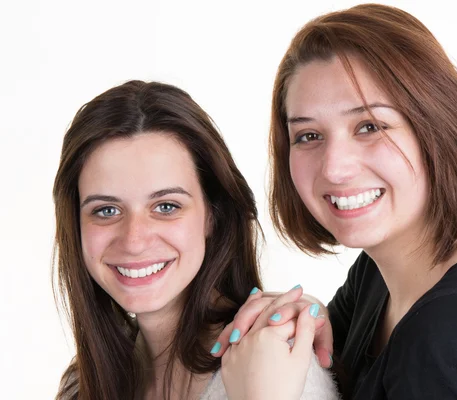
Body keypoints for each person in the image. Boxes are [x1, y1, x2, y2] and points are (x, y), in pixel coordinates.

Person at [214, 4, 457, 399]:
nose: (335, 169)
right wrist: (301, 316)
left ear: (438, 130)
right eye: (309, 136)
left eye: (369, 126)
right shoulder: (377, 277)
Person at [52, 80, 339, 399]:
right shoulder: (83, 386)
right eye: (106, 210)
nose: (134, 240)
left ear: (212, 215)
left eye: (166, 206)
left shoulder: (278, 361)